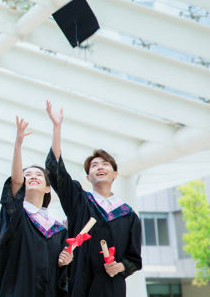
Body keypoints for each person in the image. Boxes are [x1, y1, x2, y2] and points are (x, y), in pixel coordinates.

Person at [45, 101, 142, 296]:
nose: (100, 167)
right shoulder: (80, 201)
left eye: (105, 164)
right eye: (94, 165)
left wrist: (120, 267)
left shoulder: (128, 216)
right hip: (81, 285)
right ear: (88, 177)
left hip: (111, 287)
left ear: (115, 174)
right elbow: (57, 173)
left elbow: (134, 259)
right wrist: (57, 128)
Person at [0, 116, 72, 297]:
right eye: (27, 174)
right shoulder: (17, 216)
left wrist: (65, 262)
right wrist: (18, 144)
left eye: (38, 174)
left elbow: (64, 279)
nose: (32, 176)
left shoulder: (58, 230)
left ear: (48, 188)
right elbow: (15, 182)